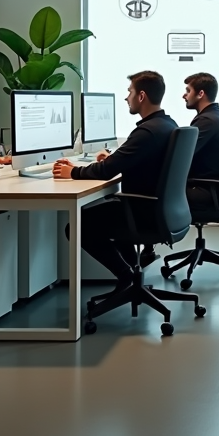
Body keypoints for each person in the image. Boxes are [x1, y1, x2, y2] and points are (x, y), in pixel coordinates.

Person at [53, 71, 177, 286]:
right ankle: (132, 274)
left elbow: (106, 171)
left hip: (143, 212)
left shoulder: (146, 132)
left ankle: (126, 276)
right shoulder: (167, 125)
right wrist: (111, 159)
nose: (126, 97)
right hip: (160, 210)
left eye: (129, 92)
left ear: (141, 96)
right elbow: (129, 160)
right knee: (109, 214)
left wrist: (72, 172)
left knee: (77, 226)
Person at [182, 72, 219, 214]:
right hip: (214, 190)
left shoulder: (207, 122)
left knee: (153, 192)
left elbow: (181, 158)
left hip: (205, 191)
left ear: (200, 94)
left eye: (188, 91)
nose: (184, 95)